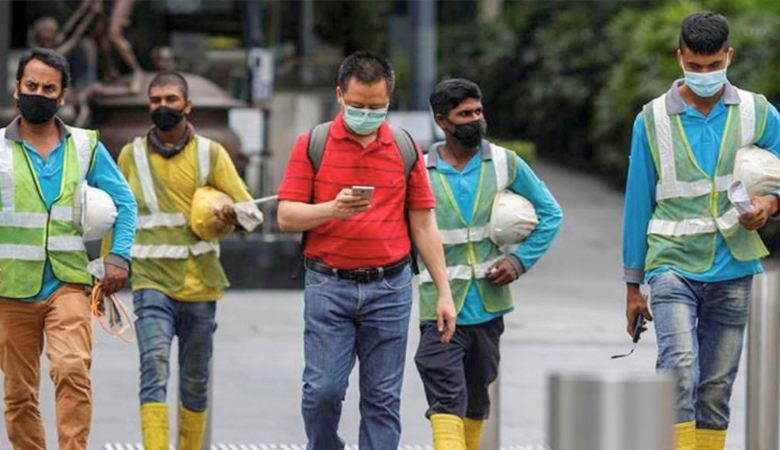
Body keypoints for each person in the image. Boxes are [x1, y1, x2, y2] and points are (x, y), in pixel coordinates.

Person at [277, 51, 456, 450]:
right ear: (339, 95)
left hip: (390, 289)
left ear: (389, 99)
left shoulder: (405, 147)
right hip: (329, 286)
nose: (367, 114)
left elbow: (423, 224)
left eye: (377, 107)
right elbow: (286, 216)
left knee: (382, 400)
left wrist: (443, 292)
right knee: (322, 392)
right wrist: (332, 209)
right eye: (357, 105)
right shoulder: (314, 143)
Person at [622, 12, 780, 450]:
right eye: (695, 66)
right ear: (680, 58)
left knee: (715, 385)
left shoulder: (759, 112)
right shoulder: (651, 120)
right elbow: (638, 203)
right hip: (671, 263)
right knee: (680, 367)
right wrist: (633, 286)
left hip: (733, 265)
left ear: (729, 56)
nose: (705, 74)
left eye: (713, 65)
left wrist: (768, 204)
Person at [111, 71, 261, 450]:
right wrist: (108, 267)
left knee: (195, 380)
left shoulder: (212, 153)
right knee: (154, 368)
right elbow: (119, 214)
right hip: (151, 282)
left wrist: (230, 214)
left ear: (188, 106)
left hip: (200, 285)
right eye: (156, 100)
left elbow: (252, 213)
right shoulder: (130, 155)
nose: (163, 107)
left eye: (171, 100)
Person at [0, 47, 136, 450]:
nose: (38, 94)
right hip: (10, 289)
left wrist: (118, 256)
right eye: (31, 86)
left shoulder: (85, 146)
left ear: (62, 98)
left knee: (72, 368)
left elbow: (125, 203)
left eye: (48, 89)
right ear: (17, 91)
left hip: (68, 282)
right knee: (19, 393)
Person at [414, 79, 562, 450]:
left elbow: (551, 213)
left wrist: (519, 261)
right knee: (445, 393)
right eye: (464, 114)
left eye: (478, 112)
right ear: (442, 122)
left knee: (477, 400)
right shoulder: (419, 170)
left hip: (488, 307)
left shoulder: (504, 162)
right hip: (439, 307)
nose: (475, 120)